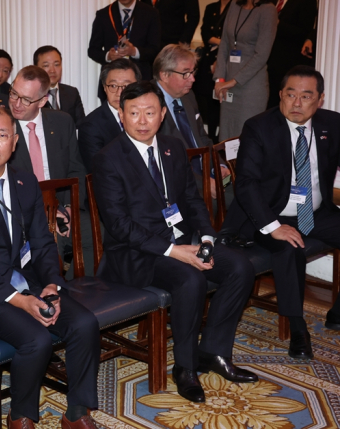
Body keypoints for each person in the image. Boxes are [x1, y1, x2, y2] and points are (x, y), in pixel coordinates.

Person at [92, 81, 257, 403]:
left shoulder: (172, 146)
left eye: (150, 112)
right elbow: (118, 225)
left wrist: (207, 237)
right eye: (134, 113)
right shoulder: (108, 158)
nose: (142, 121)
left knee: (239, 267)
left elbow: (191, 199)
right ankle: (185, 367)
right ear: (121, 116)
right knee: (190, 278)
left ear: (162, 113)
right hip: (134, 254)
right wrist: (173, 251)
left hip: (181, 243)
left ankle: (213, 351)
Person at [0, 106, 100, 429]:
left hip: (25, 281)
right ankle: (21, 416)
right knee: (36, 341)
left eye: (2, 135)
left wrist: (52, 285)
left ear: (15, 142)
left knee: (84, 323)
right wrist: (20, 300)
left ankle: (76, 413)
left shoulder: (25, 181)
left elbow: (42, 243)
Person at [220, 66, 340, 357]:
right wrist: (273, 226)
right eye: (290, 94)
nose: (297, 103)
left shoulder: (332, 124)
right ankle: (298, 329)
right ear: (280, 95)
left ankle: (338, 312)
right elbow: (246, 185)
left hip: (315, 210)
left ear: (320, 99)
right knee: (288, 247)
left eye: (306, 96)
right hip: (268, 213)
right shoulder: (259, 127)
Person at [7, 66, 93, 277]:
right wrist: (49, 214)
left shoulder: (62, 122)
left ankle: (78, 292)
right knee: (50, 244)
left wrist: (69, 207)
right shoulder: (1, 125)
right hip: (23, 213)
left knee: (96, 235)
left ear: (43, 101)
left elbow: (76, 169)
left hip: (62, 203)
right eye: (13, 94)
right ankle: (53, 293)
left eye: (26, 99)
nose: (17, 104)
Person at [153, 44, 231, 202]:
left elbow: (202, 138)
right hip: (179, 185)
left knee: (249, 193)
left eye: (192, 72)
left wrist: (219, 165)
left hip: (206, 172)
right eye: (185, 74)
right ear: (164, 75)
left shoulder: (188, 96)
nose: (193, 79)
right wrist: (202, 183)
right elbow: (163, 162)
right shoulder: (149, 104)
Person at [214, 0, 277, 141]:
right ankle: (227, 164)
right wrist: (220, 79)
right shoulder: (235, 5)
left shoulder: (268, 10)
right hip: (227, 86)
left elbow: (262, 55)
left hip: (251, 87)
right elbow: (224, 43)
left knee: (246, 137)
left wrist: (233, 81)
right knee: (226, 135)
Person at [77, 58, 140, 172]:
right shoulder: (90, 126)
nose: (119, 93)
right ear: (105, 88)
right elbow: (99, 170)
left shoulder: (146, 117)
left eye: (126, 86)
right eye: (113, 86)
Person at [87, 0, 160, 87]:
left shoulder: (151, 13)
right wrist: (108, 56)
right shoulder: (104, 14)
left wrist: (134, 52)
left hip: (141, 82)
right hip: (112, 82)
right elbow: (93, 50)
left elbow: (155, 49)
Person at [266, 0, 317, 108]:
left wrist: (278, 23)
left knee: (282, 104)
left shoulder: (306, 2)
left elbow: (304, 33)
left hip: (287, 64)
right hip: (268, 62)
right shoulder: (270, 2)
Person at [193, 0, 231, 143]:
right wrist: (220, 41)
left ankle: (221, 137)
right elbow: (205, 32)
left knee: (221, 100)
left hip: (227, 58)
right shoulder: (211, 7)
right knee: (206, 97)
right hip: (208, 58)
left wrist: (221, 46)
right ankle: (209, 136)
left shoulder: (236, 7)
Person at [33, 45, 86, 126]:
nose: (52, 70)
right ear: (36, 68)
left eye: (57, 64)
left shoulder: (72, 93)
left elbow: (81, 125)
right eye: (46, 66)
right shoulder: (31, 95)